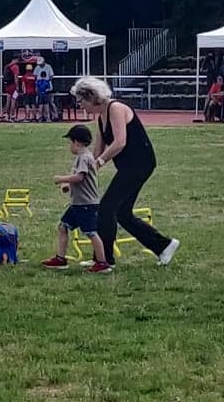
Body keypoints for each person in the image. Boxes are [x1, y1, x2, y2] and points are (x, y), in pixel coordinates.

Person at [72, 77, 179, 265]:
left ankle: (104, 260)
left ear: (91, 96)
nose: (80, 105)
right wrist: (85, 170)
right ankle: (164, 245)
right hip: (128, 166)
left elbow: (120, 142)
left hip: (140, 164)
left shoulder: (116, 108)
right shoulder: (101, 117)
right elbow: (98, 149)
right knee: (122, 213)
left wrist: (101, 162)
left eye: (81, 101)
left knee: (107, 207)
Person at [43, 123, 112, 273]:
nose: (69, 146)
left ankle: (102, 263)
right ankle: (60, 259)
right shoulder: (85, 157)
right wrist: (68, 186)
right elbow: (81, 180)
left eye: (70, 142)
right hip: (77, 204)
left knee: (91, 232)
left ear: (76, 142)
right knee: (63, 226)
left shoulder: (84, 158)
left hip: (86, 204)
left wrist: (61, 179)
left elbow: (80, 177)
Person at [34, 57, 55, 122]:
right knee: (44, 105)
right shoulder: (37, 68)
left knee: (46, 104)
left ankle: (49, 117)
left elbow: (51, 76)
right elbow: (35, 76)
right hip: (43, 91)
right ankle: (44, 117)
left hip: (44, 91)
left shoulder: (48, 67)